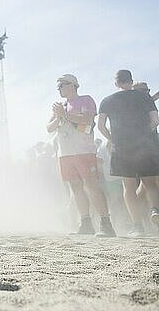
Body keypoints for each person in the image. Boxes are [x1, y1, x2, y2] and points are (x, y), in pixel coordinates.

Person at [46, 74, 116, 237]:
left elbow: (87, 121)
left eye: (62, 85)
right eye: (58, 86)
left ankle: (106, 223)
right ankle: (85, 223)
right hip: (65, 152)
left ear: (73, 85)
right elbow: (49, 128)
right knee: (75, 188)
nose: (59, 89)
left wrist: (64, 115)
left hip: (83, 150)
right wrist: (58, 116)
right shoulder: (60, 106)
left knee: (92, 185)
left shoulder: (86, 99)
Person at [98, 70, 159, 237]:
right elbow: (155, 120)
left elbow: (101, 126)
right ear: (131, 81)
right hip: (144, 144)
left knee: (129, 186)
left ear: (116, 83)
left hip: (122, 148)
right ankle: (155, 209)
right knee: (150, 183)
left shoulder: (107, 100)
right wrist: (146, 133)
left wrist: (112, 138)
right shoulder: (145, 98)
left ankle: (138, 226)